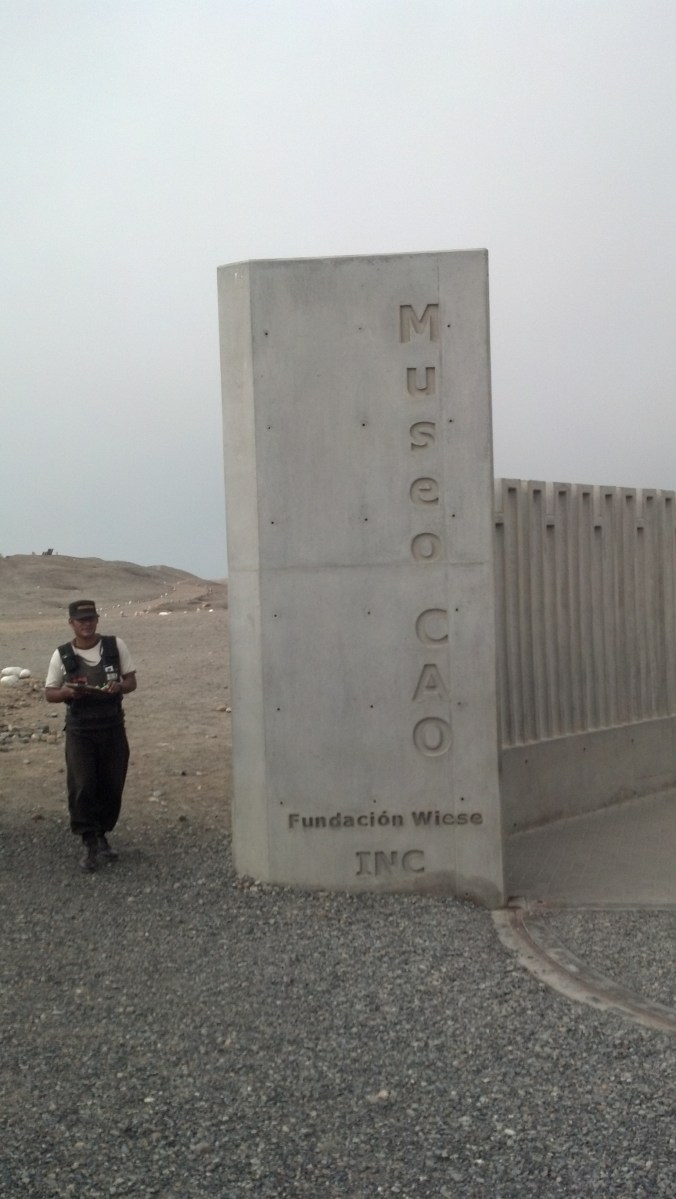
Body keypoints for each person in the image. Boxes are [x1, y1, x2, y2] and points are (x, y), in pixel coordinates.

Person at [45, 599, 137, 872]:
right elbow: (50, 692)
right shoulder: (61, 655)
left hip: (112, 727)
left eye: (90, 619)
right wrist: (67, 693)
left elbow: (132, 681)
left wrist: (118, 686)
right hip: (80, 730)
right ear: (71, 623)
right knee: (83, 784)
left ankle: (102, 834)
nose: (86, 624)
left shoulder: (114, 646)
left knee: (112, 783)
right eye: (80, 620)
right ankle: (88, 841)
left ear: (97, 620)